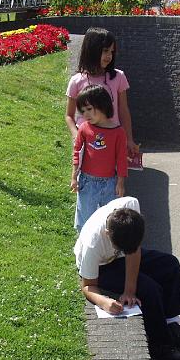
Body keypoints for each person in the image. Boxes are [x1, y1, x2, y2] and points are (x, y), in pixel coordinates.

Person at [75, 196, 180, 360]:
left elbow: (133, 252)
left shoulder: (130, 205)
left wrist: (129, 290)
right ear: (108, 234)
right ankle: (160, 344)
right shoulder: (93, 244)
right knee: (149, 289)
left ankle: (172, 325)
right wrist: (104, 302)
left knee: (169, 264)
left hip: (124, 252)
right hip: (103, 266)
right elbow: (88, 286)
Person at [65, 27, 139, 157]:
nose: (109, 56)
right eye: (105, 51)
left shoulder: (119, 77)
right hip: (86, 145)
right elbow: (69, 116)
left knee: (113, 177)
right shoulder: (76, 81)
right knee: (84, 177)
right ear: (92, 50)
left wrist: (129, 139)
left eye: (112, 51)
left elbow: (123, 111)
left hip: (112, 143)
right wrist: (76, 136)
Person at [71, 85, 128, 231]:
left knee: (110, 222)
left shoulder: (118, 132)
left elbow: (122, 159)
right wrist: (74, 176)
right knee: (84, 221)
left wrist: (120, 182)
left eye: (89, 109)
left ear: (102, 105)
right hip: (87, 182)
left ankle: (108, 251)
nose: (86, 114)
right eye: (83, 111)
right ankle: (83, 249)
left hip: (110, 184)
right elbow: (77, 151)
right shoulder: (84, 128)